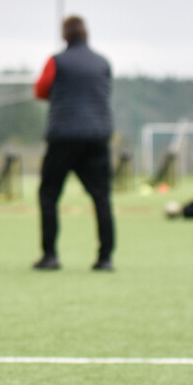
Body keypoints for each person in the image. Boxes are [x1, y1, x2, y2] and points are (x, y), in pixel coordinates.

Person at [32, 15, 115, 272]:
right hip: (97, 136)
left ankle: (50, 256)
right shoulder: (103, 63)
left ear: (65, 35)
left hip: (64, 137)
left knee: (49, 195)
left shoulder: (56, 61)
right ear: (86, 33)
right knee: (101, 198)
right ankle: (105, 258)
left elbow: (40, 91)